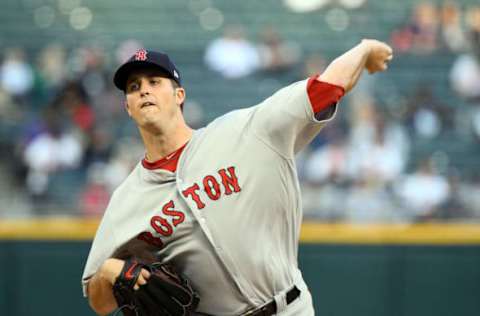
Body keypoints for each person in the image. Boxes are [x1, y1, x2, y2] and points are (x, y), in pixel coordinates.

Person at [82, 41, 393, 315]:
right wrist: (110, 270)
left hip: (290, 308)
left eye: (153, 81)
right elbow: (100, 302)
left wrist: (364, 50)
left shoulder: (244, 131)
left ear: (179, 95)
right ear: (127, 107)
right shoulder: (127, 199)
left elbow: (326, 86)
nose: (144, 90)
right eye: (134, 87)